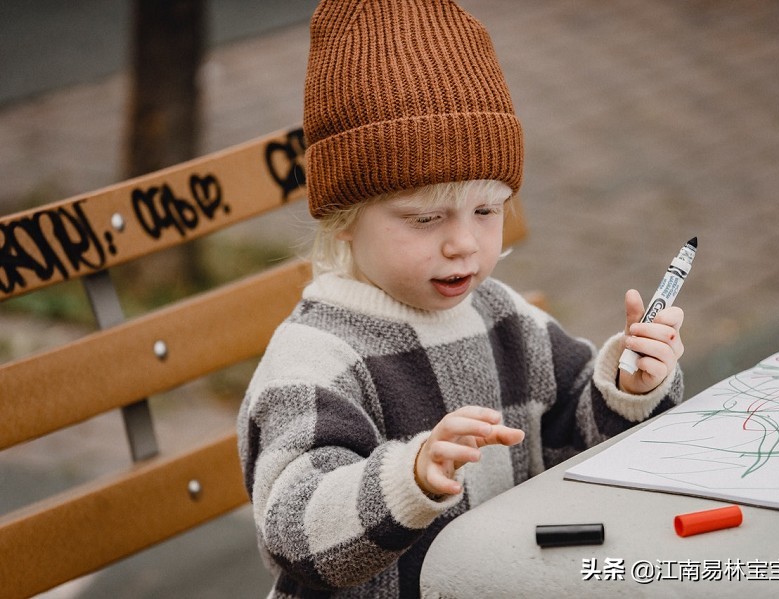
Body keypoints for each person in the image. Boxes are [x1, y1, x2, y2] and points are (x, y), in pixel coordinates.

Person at [237, 1, 686, 597]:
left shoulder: (502, 317)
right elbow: (294, 530)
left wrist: (630, 388)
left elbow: (576, 439)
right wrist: (410, 477)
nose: (463, 244)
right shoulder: (314, 360)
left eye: (487, 211)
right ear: (343, 219)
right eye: (425, 218)